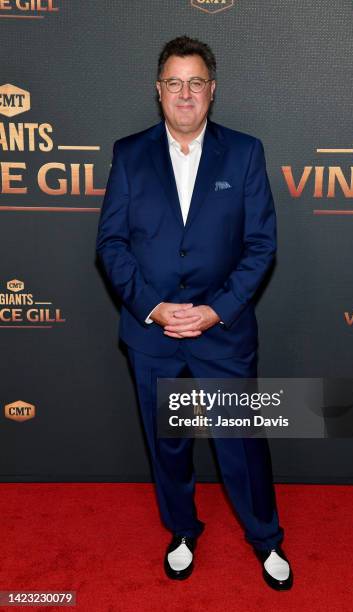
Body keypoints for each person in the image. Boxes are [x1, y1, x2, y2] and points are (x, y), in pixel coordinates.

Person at [96, 35, 293, 591]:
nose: (186, 94)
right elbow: (110, 243)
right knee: (168, 443)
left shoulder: (245, 152)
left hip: (221, 335)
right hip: (153, 335)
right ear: (158, 92)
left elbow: (261, 246)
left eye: (196, 83)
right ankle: (182, 531)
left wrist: (215, 312)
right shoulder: (129, 153)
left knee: (242, 445)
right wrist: (154, 309)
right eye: (174, 83)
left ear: (212, 90)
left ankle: (267, 539)